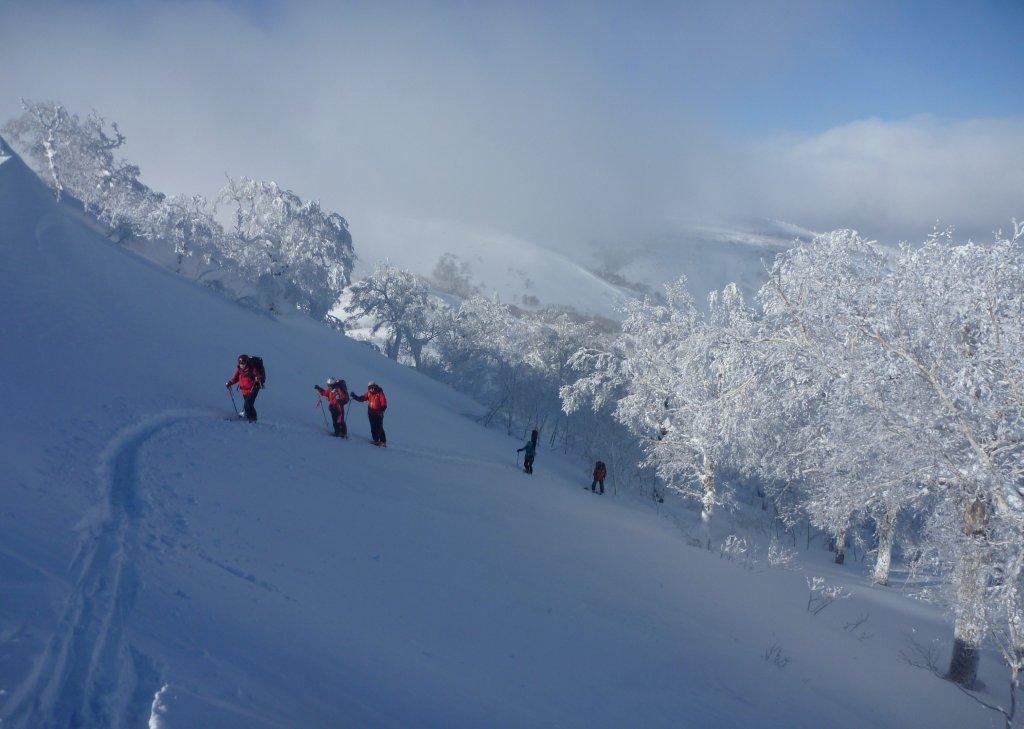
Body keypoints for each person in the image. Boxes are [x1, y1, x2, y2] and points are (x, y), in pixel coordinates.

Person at [226, 354, 264, 422]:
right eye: (240, 363)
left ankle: (252, 420)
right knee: (248, 405)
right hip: (244, 390)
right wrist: (230, 383)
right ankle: (251, 419)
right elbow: (235, 378)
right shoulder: (239, 369)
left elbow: (258, 375)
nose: (242, 365)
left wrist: (258, 378)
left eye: (243, 363)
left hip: (253, 388)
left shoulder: (252, 368)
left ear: (246, 362)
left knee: (248, 404)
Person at [351, 381, 388, 446]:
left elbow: (383, 402)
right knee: (373, 427)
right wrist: (355, 396)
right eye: (370, 387)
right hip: (371, 413)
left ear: (375, 386)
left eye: (373, 387)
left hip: (378, 414)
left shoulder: (379, 393)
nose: (372, 389)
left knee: (379, 427)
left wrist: (382, 408)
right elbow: (362, 398)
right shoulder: (369, 393)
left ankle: (383, 441)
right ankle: (375, 440)